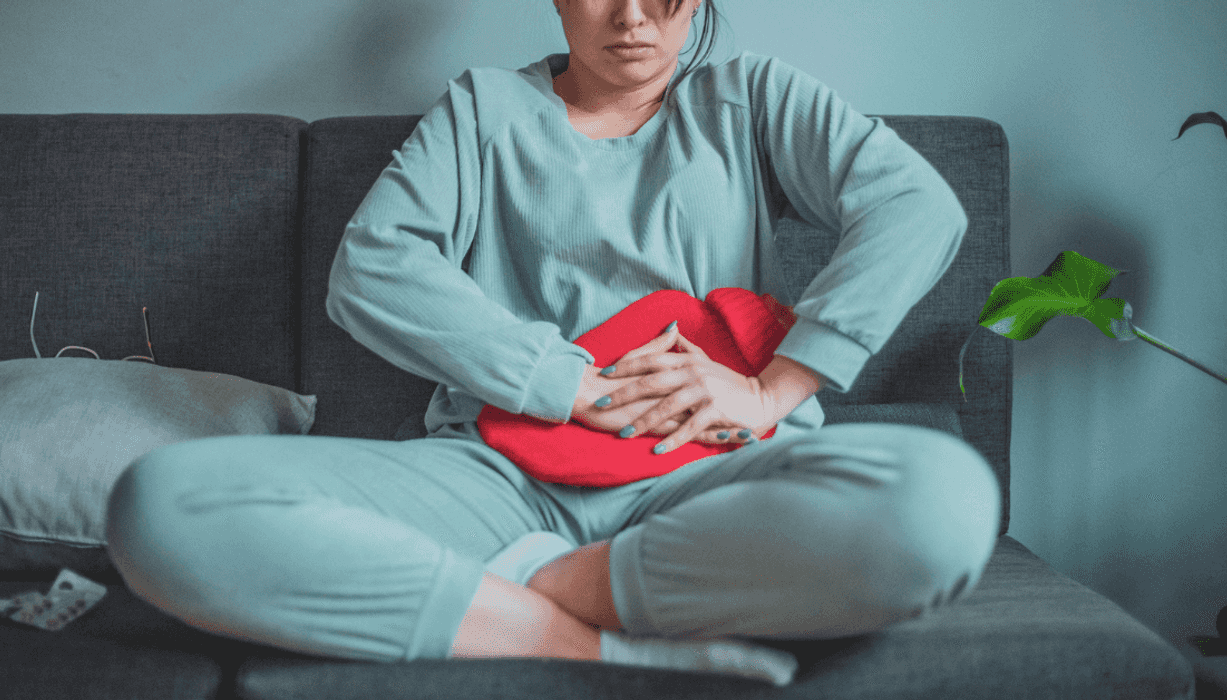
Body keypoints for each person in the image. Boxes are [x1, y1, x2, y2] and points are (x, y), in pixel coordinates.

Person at [105, 0, 1002, 687]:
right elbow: (371, 268)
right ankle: (586, 644)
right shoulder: (483, 111)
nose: (635, 18)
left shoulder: (750, 99)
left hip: (709, 473)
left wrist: (774, 389)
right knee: (162, 502)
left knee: (945, 503)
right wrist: (569, 384)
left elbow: (914, 205)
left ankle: (548, 583)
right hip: (495, 478)